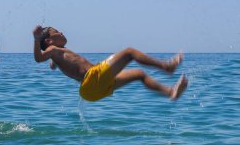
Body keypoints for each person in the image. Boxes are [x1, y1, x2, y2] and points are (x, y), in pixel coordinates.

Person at [33, 26, 188, 102]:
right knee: (129, 52)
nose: (62, 32)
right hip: (92, 78)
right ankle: (166, 67)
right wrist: (36, 38)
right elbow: (39, 58)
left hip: (92, 90)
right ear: (49, 40)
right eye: (57, 32)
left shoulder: (57, 53)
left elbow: (54, 62)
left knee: (139, 74)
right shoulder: (53, 49)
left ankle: (171, 92)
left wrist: (54, 63)